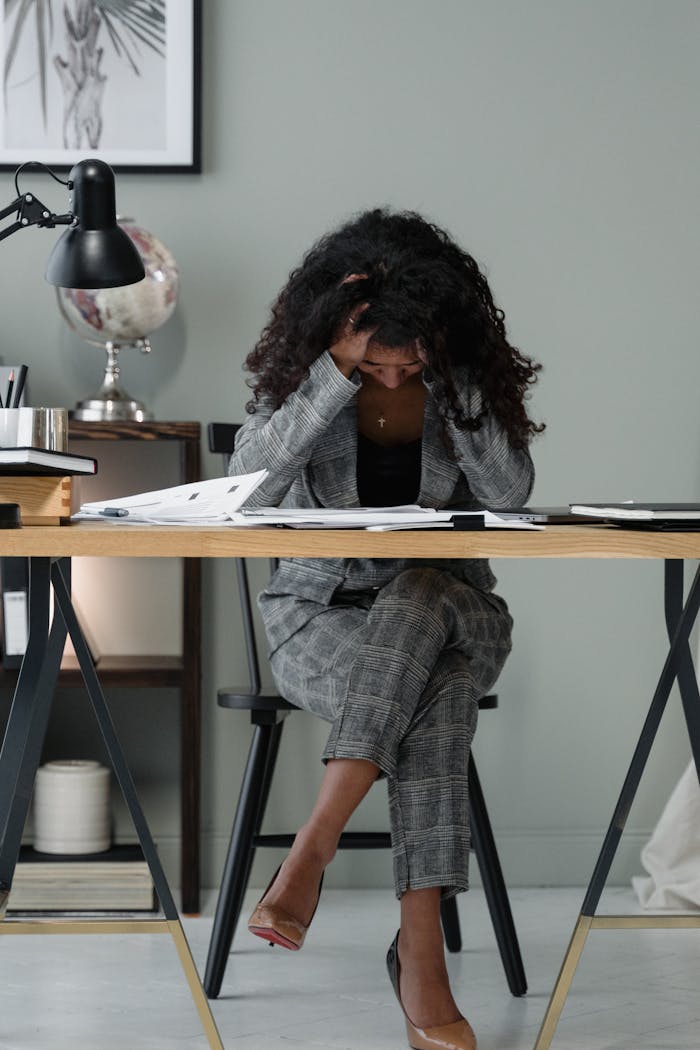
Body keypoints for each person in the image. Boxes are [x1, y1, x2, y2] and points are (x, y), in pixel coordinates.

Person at [229, 207, 543, 1050]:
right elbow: (244, 490)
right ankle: (422, 961)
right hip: (320, 619)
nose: (395, 381)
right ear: (338, 337)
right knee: (433, 699)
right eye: (378, 363)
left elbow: (509, 493)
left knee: (418, 593)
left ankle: (311, 850)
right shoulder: (313, 375)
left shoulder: (454, 381)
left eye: (413, 365)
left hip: (457, 611)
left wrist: (455, 379)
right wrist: (333, 371)